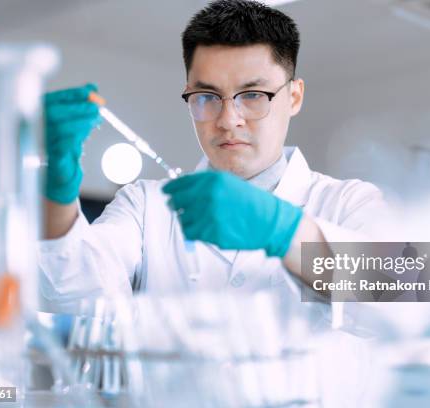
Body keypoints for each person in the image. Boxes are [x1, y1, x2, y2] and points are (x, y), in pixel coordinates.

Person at [39, 0, 386, 313]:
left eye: (252, 94)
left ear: (294, 97)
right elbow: (70, 294)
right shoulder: (146, 205)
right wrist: (58, 186)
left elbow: (402, 296)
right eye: (206, 96)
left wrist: (284, 230)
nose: (227, 119)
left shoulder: (349, 202)